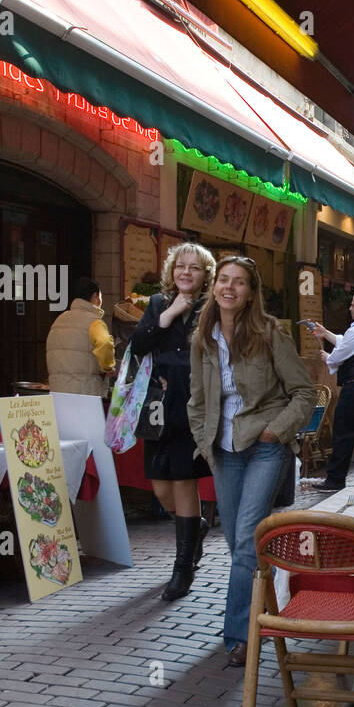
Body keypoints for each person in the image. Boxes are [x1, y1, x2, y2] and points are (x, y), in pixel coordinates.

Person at [188, 256, 315, 668]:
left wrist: (276, 431)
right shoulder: (203, 338)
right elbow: (197, 400)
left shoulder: (270, 333)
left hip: (263, 447)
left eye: (239, 282)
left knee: (244, 541)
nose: (229, 288)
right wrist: (204, 443)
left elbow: (303, 392)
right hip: (223, 451)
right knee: (239, 544)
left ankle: (240, 636)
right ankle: (269, 605)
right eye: (223, 280)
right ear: (214, 286)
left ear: (251, 291)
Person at [130, 242, 216, 600]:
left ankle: (182, 570)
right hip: (159, 405)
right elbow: (137, 345)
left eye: (194, 268)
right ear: (172, 270)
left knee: (183, 481)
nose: (186, 272)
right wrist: (168, 315)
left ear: (204, 274)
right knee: (161, 487)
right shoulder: (157, 304)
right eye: (181, 266)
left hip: (194, 403)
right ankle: (194, 527)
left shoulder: (213, 307)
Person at [307, 292, 354, 490]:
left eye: (352, 305)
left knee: (343, 432)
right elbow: (347, 344)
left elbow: (339, 355)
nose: (349, 308)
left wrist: (328, 357)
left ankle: (335, 479)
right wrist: (325, 333)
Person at [46, 277, 115, 396]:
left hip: (57, 391)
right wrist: (108, 367)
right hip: (84, 393)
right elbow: (104, 343)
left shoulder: (59, 320)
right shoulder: (94, 322)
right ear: (96, 296)